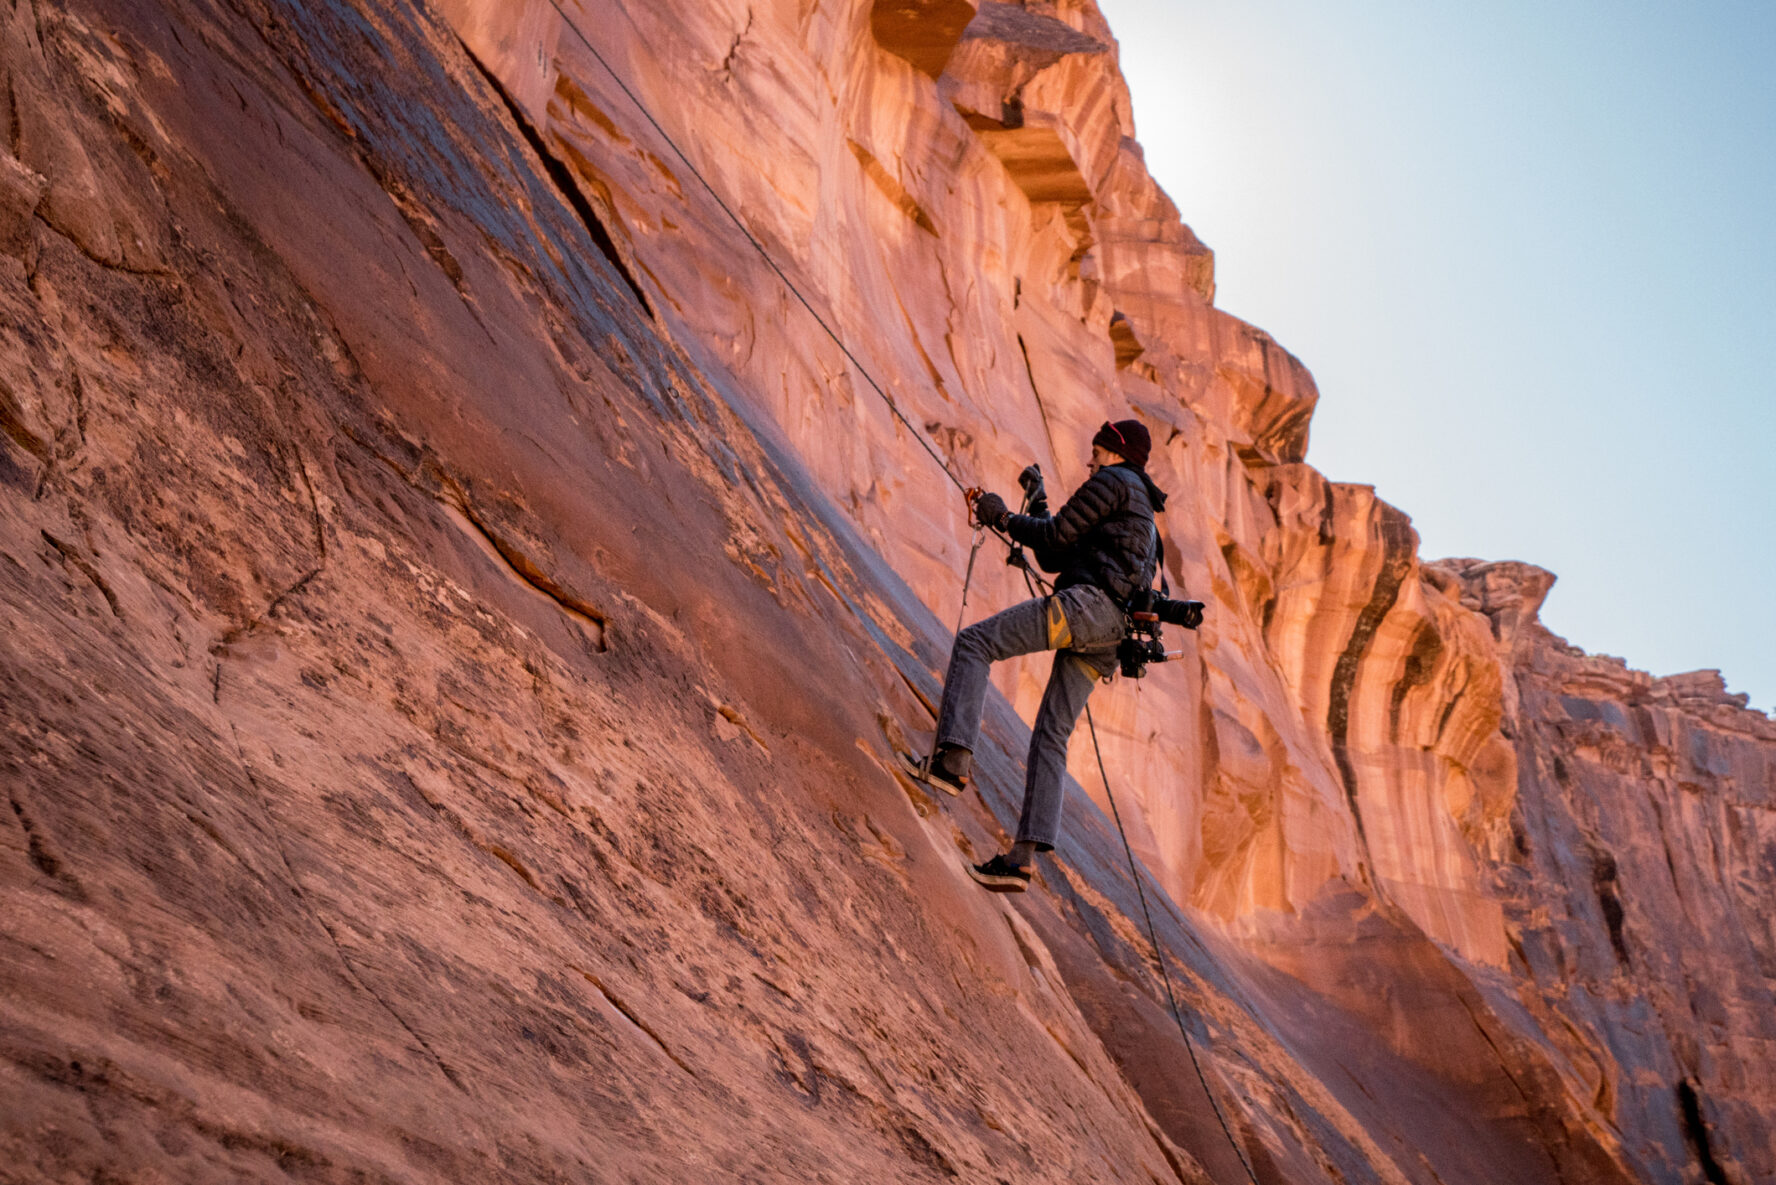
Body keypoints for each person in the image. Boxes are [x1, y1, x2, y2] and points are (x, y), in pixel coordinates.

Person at [903, 418, 1168, 892]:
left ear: (1115, 451)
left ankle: (952, 764)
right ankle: (1021, 861)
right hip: (1110, 638)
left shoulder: (1113, 481)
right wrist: (1038, 503)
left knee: (975, 644)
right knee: (1052, 734)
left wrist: (1000, 515)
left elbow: (1050, 540)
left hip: (1085, 609)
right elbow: (1055, 556)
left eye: (1096, 451)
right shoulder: (1146, 514)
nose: (1090, 460)